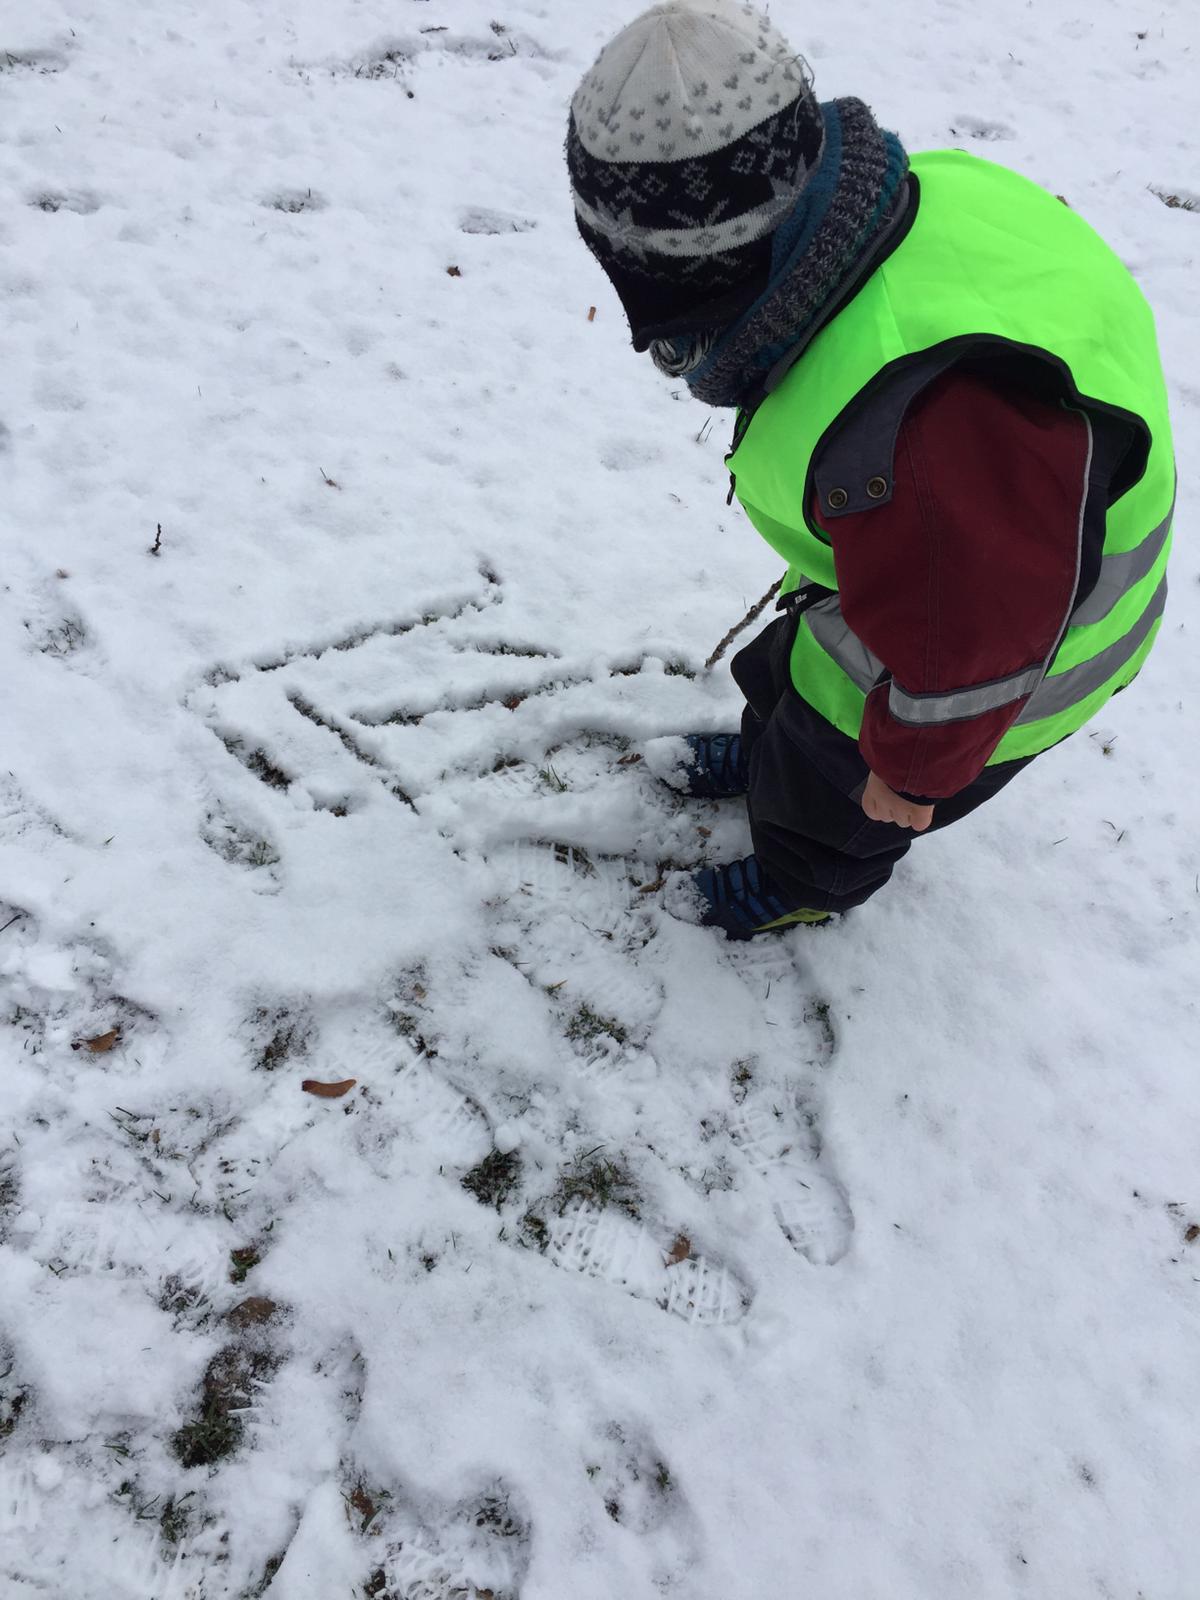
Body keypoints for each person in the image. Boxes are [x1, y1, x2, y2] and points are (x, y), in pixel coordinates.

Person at [565, 0, 1175, 939]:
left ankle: (802, 883)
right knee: (796, 681)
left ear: (704, 268)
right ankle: (772, 753)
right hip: (943, 571)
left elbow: (974, 643)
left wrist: (912, 771)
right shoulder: (911, 202)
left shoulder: (930, 425)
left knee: (838, 800)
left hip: (1001, 672)